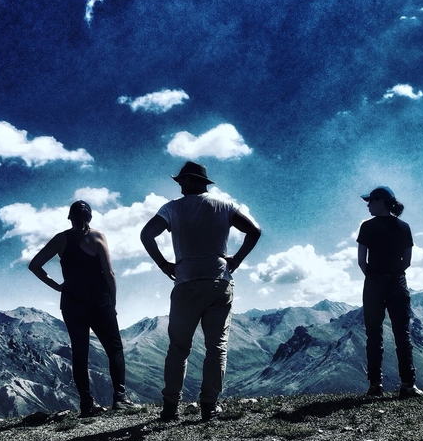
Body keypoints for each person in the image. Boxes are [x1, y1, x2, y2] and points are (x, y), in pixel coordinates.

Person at [140, 161, 261, 422]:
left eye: (182, 180)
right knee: (216, 347)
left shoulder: (171, 208)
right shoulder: (225, 205)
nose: (180, 184)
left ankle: (170, 408)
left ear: (191, 181)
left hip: (185, 282)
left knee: (178, 348)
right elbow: (255, 230)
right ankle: (209, 406)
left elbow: (146, 234)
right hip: (219, 281)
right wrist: (236, 260)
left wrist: (163, 265)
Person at [28, 200, 140, 417]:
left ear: (70, 217)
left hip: (71, 302)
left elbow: (34, 265)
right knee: (114, 349)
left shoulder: (61, 239)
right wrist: (113, 302)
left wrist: (58, 287)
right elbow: (109, 274)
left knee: (80, 353)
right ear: (90, 217)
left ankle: (86, 404)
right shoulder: (98, 237)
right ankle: (120, 398)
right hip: (99, 300)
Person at [357, 186, 422, 399]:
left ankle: (375, 386)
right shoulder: (404, 227)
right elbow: (408, 261)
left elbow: (361, 261)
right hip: (397, 283)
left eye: (371, 201)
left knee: (373, 334)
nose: (368, 205)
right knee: (402, 333)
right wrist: (393, 273)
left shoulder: (367, 227)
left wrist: (375, 275)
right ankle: (408, 385)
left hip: (374, 284)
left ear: (381, 202)